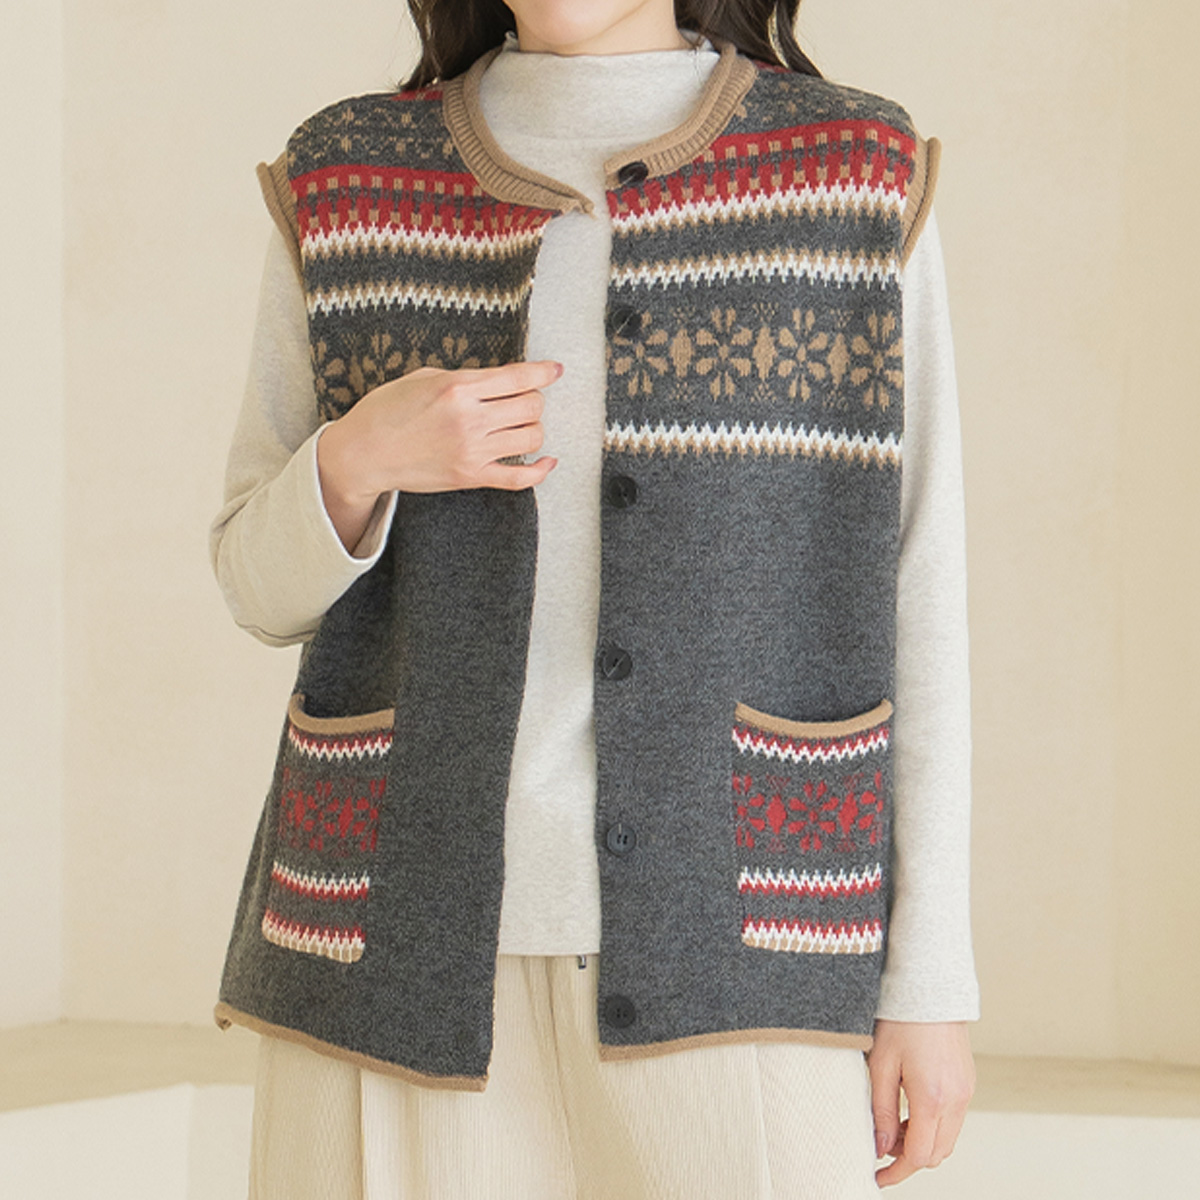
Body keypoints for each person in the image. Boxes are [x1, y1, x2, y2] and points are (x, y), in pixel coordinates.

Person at [209, 1, 980, 1196]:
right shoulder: (348, 178)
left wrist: (928, 984)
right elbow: (257, 590)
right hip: (382, 944)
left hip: (746, 943)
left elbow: (919, 592)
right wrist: (357, 458)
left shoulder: (849, 173)